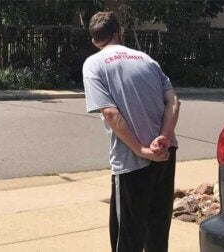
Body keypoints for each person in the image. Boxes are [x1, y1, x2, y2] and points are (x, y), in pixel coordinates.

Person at [82, 11, 181, 252]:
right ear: (119, 32)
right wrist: (164, 138)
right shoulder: (148, 60)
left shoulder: (94, 64)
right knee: (157, 229)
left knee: (127, 236)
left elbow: (111, 114)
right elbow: (174, 102)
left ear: (95, 40)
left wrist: (142, 150)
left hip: (131, 161)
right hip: (166, 154)